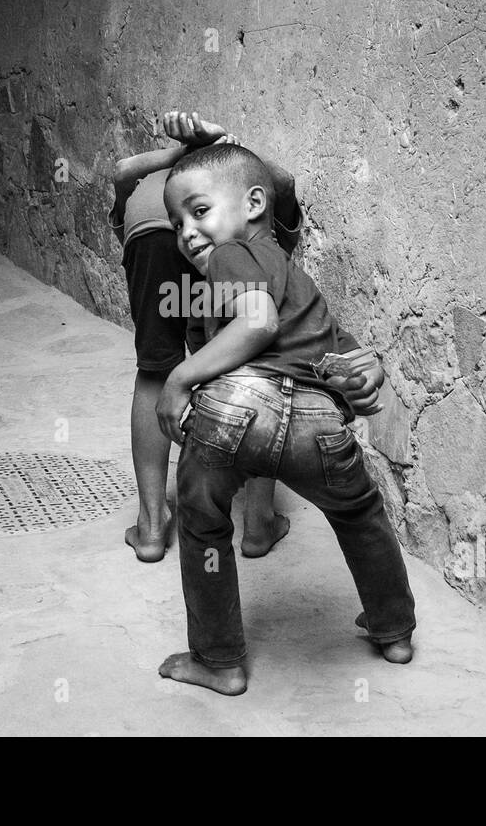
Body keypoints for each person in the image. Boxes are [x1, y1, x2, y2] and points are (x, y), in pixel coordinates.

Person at [155, 142, 415, 695]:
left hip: (236, 411)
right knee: (360, 513)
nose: (187, 233)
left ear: (253, 204)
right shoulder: (301, 282)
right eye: (177, 222)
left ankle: (219, 658)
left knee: (201, 518)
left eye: (198, 211)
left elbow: (257, 324)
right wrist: (365, 374)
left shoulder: (230, 256)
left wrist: (178, 379)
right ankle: (394, 630)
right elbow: (338, 356)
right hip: (318, 425)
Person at [110, 111, 300, 562]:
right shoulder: (257, 216)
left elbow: (120, 172)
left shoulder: (148, 191)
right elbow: (285, 182)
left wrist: (179, 154)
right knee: (258, 362)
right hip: (217, 210)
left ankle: (152, 526)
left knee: (155, 368)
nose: (190, 235)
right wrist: (224, 143)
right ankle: (257, 524)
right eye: (183, 221)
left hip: (147, 236)